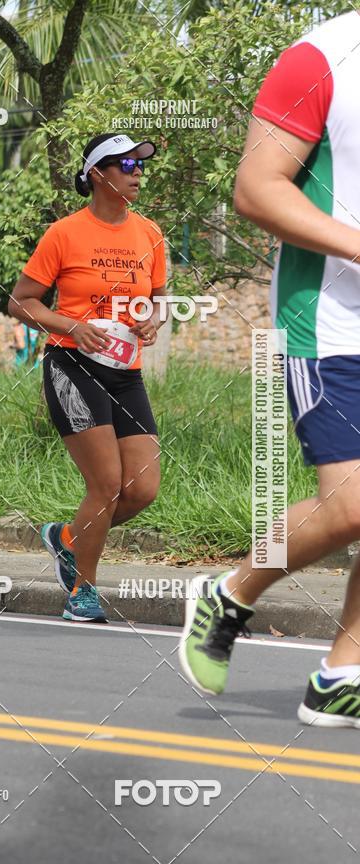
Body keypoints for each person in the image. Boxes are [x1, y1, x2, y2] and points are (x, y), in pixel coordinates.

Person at [178, 9, 360, 727]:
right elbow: (257, 187)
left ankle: (342, 675)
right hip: (332, 322)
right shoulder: (320, 58)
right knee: (352, 505)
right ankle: (230, 595)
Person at [9, 133, 167, 623]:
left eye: (140, 166)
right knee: (107, 484)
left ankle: (67, 538)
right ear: (98, 174)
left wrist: (153, 319)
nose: (138, 173)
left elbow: (159, 298)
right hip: (72, 366)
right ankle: (83, 590)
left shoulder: (150, 233)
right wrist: (71, 326)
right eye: (127, 165)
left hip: (125, 373)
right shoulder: (65, 234)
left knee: (142, 488)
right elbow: (20, 301)